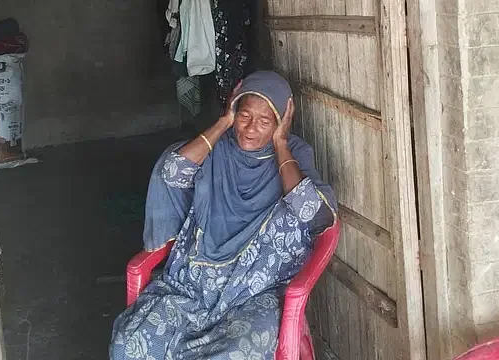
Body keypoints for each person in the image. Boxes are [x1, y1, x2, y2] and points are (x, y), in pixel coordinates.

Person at [110, 71, 337, 360]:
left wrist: (280, 144)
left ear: (281, 122)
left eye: (265, 121)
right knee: (129, 345)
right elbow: (173, 172)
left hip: (254, 292)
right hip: (192, 283)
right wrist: (223, 123)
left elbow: (310, 212)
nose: (251, 129)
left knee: (231, 354)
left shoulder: (295, 154)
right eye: (244, 116)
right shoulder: (216, 147)